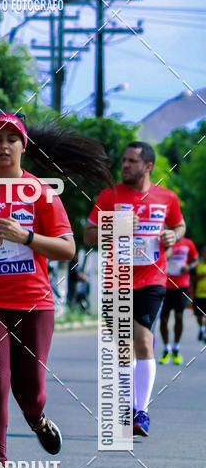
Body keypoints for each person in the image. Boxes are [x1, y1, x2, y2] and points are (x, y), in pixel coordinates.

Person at [0, 112, 111, 468]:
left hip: (33, 301)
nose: (3, 146)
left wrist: (27, 235)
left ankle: (37, 420)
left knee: (29, 390)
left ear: (23, 146)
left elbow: (68, 249)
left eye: (11, 139)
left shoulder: (40, 192)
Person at [84, 141, 185, 437]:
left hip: (152, 279)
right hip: (117, 279)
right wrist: (117, 225)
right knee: (124, 347)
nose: (124, 165)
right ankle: (128, 408)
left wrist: (172, 236)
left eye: (131, 161)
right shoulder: (110, 195)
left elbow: (179, 226)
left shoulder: (166, 197)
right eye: (124, 160)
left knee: (142, 340)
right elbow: (89, 235)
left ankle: (142, 412)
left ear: (148, 166)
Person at [159, 235, 198, 364]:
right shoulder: (164, 241)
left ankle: (176, 347)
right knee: (164, 319)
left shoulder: (188, 243)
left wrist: (189, 267)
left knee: (179, 316)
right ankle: (166, 349)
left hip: (181, 284)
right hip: (164, 283)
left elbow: (195, 260)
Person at [195, 245, 206, 341]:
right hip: (199, 294)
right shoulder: (198, 265)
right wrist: (201, 276)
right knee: (199, 315)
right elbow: (193, 279)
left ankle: (204, 330)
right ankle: (201, 328)